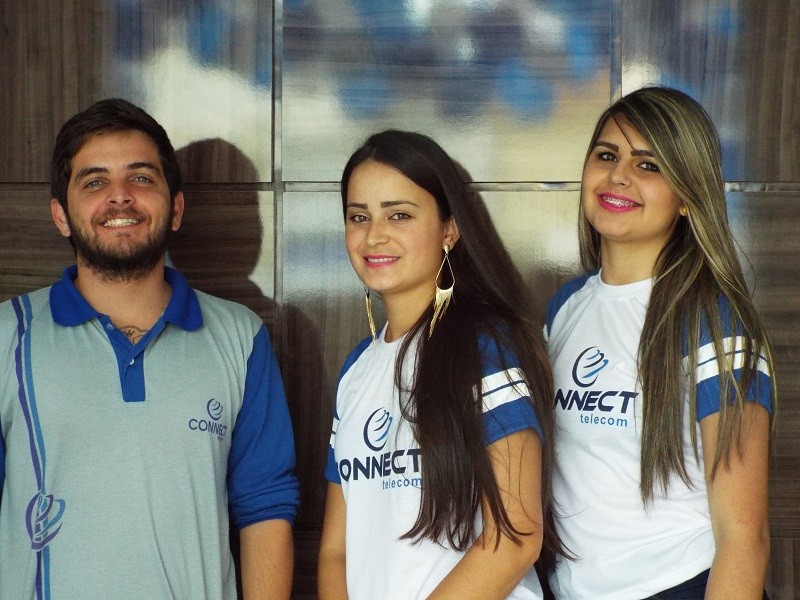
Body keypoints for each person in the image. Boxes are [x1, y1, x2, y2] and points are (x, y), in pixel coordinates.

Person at [0, 99, 299, 599]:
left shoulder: (240, 337)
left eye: (140, 178)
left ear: (175, 208)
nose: (119, 197)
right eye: (94, 182)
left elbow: (265, 506)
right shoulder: (7, 335)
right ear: (61, 216)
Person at [545, 86, 775, 599]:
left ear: (688, 198)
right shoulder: (563, 309)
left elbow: (745, 537)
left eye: (648, 165)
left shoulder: (715, 321)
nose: (618, 175)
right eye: (607, 155)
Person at [318, 129, 564, 599]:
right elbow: (336, 551)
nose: (374, 235)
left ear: (449, 230)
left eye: (399, 215)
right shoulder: (356, 370)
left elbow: (515, 537)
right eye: (358, 216)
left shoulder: (485, 349)